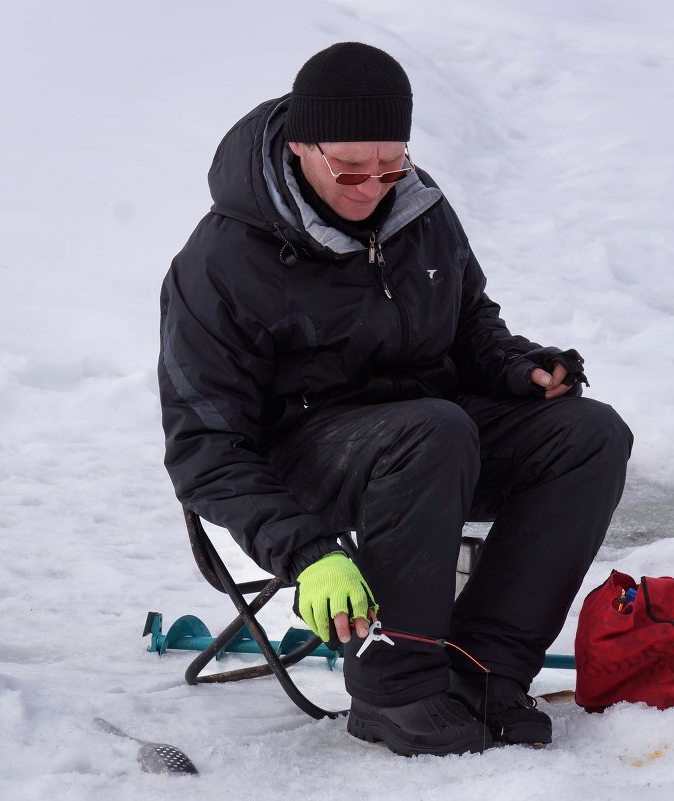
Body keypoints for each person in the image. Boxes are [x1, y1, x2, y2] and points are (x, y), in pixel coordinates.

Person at [159, 42, 632, 757]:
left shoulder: (418, 209)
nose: (371, 186)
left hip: (430, 439)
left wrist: (518, 368)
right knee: (432, 428)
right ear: (299, 149)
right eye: (350, 168)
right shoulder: (220, 264)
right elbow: (204, 448)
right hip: (303, 457)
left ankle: (484, 669)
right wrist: (308, 552)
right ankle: (397, 686)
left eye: (390, 165)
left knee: (590, 434)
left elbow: (470, 325)